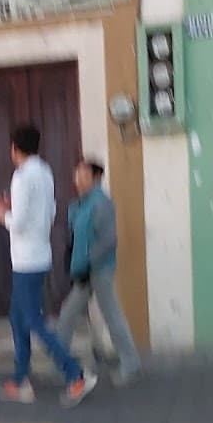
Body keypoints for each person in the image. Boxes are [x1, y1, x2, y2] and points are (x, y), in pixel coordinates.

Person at [0, 124, 98, 409]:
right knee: (17, 318)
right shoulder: (45, 172)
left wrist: (1, 214)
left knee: (33, 321)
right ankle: (21, 379)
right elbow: (48, 212)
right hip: (39, 255)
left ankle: (75, 374)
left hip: (26, 260)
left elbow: (19, 223)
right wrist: (13, 209)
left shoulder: (22, 176)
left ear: (14, 148)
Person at [57, 159, 141, 388]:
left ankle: (131, 362)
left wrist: (87, 261)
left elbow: (108, 240)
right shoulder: (79, 204)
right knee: (68, 314)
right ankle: (60, 361)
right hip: (83, 270)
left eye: (84, 175)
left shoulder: (101, 204)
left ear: (95, 178)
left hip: (99, 270)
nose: (78, 180)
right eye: (77, 175)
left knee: (111, 314)